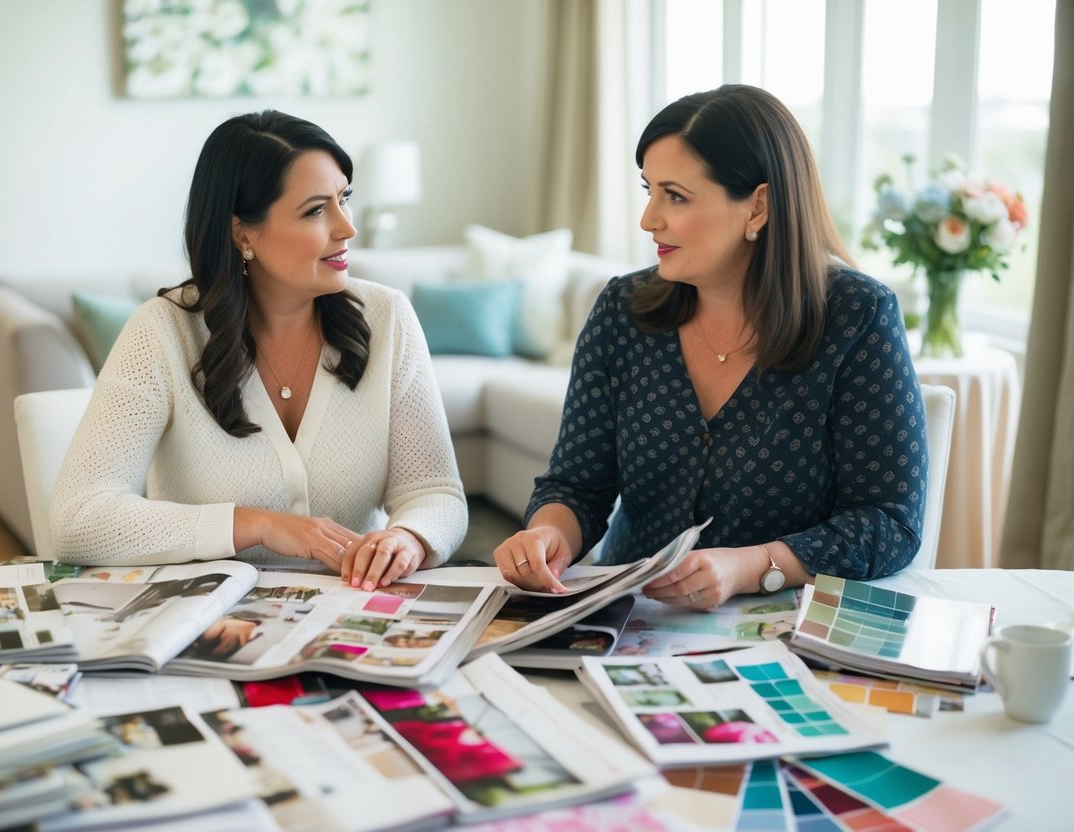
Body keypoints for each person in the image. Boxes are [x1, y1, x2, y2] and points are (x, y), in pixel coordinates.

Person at [494, 85, 927, 609]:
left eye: (675, 196)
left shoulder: (858, 316)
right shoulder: (622, 310)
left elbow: (888, 522)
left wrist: (748, 567)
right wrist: (550, 534)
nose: (648, 219)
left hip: (778, 620)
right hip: (632, 616)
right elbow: (576, 485)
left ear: (758, 207)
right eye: (648, 190)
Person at [51, 111, 467, 592]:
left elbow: (436, 492)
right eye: (315, 210)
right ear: (243, 233)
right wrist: (260, 524)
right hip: (205, 621)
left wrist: (409, 538)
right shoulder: (161, 332)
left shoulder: (388, 317)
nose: (347, 227)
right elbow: (77, 517)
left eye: (344, 198)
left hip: (353, 616)